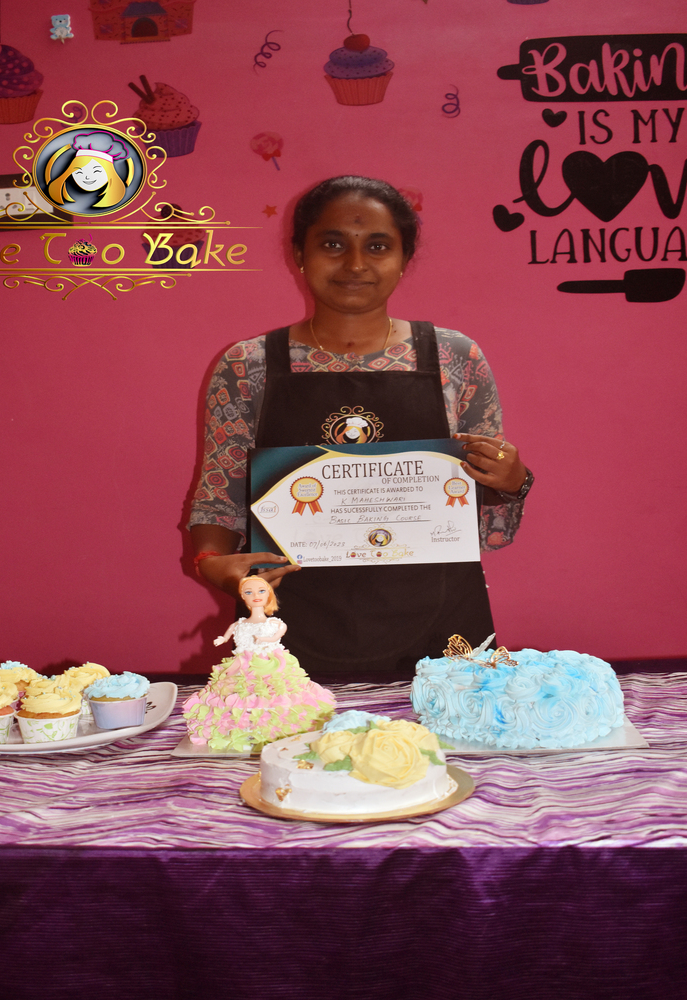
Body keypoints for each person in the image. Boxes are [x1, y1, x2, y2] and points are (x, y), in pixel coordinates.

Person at [189, 175, 533, 677]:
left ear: (404, 258)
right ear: (299, 253)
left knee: (451, 726)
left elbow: (483, 507)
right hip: (288, 618)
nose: (354, 265)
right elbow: (218, 495)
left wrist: (512, 480)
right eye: (332, 244)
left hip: (442, 618)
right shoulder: (247, 365)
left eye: (377, 246)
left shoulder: (456, 358)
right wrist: (211, 563)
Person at [182, 575, 335, 751]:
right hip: (241, 665)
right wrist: (221, 639)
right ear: (243, 596)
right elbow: (226, 636)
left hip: (271, 664)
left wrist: (264, 639)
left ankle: (282, 729)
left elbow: (275, 637)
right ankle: (237, 730)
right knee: (228, 694)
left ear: (268, 594)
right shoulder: (239, 624)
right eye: (249, 592)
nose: (256, 595)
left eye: (261, 591)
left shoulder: (275, 623)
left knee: (282, 696)